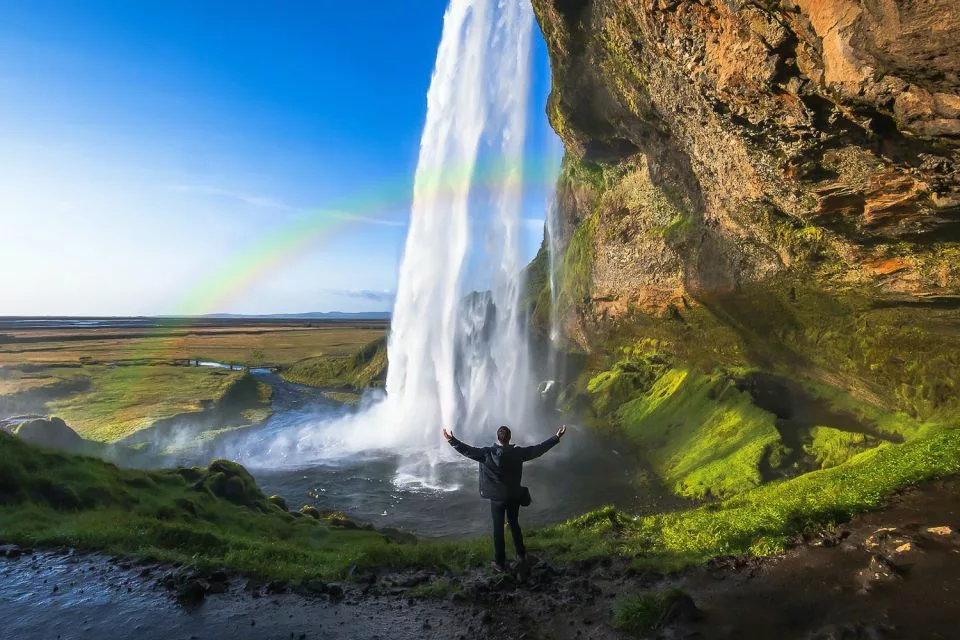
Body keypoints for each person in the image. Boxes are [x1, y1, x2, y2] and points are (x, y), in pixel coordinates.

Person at [442, 423, 567, 572]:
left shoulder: (487, 453)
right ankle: (521, 555)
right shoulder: (518, 453)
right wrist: (556, 437)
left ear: (497, 438)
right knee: (514, 524)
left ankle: (500, 563)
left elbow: (467, 451)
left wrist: (452, 440)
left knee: (498, 529)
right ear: (510, 438)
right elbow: (538, 450)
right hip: (513, 495)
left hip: (496, 499)